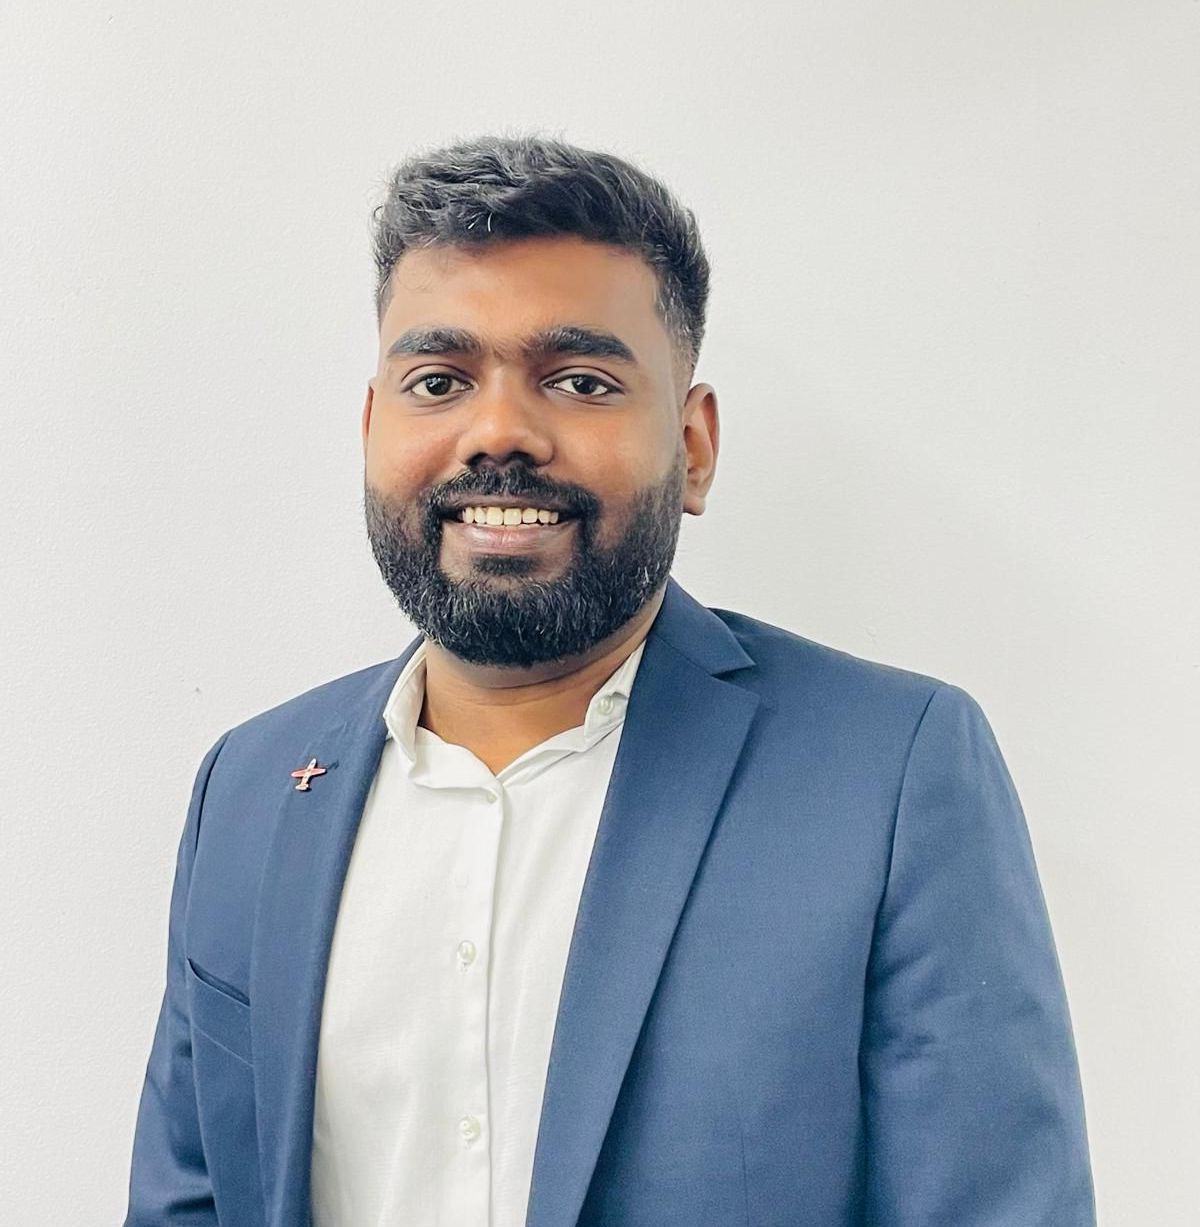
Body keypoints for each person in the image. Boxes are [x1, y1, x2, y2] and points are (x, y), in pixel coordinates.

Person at [125, 134, 1096, 1226]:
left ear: (694, 444)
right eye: (439, 381)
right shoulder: (252, 788)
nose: (498, 433)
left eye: (579, 380)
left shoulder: (893, 773)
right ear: (372, 427)